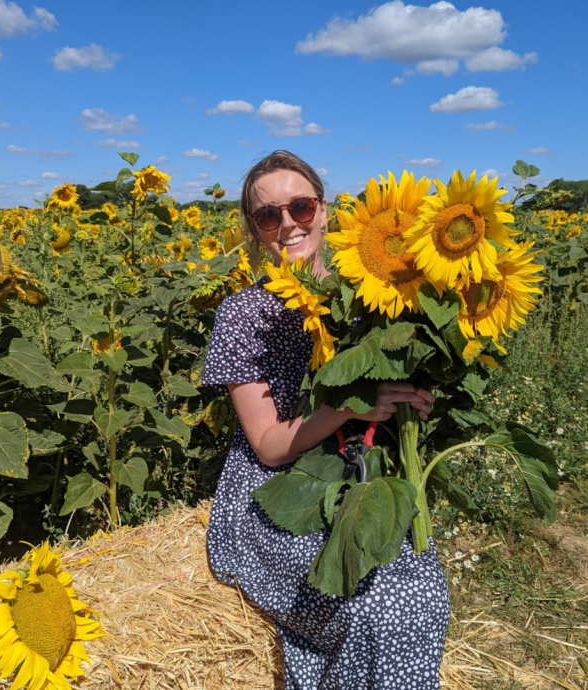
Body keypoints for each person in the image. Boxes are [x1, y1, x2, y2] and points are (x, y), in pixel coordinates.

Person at [203, 150, 450, 689]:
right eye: (269, 215)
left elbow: (397, 367)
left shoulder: (372, 291)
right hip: (277, 488)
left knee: (423, 589)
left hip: (357, 474)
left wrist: (411, 398)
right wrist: (348, 404)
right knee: (373, 601)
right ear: (253, 230)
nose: (287, 223)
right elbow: (268, 445)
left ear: (325, 210)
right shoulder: (243, 315)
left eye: (301, 206)